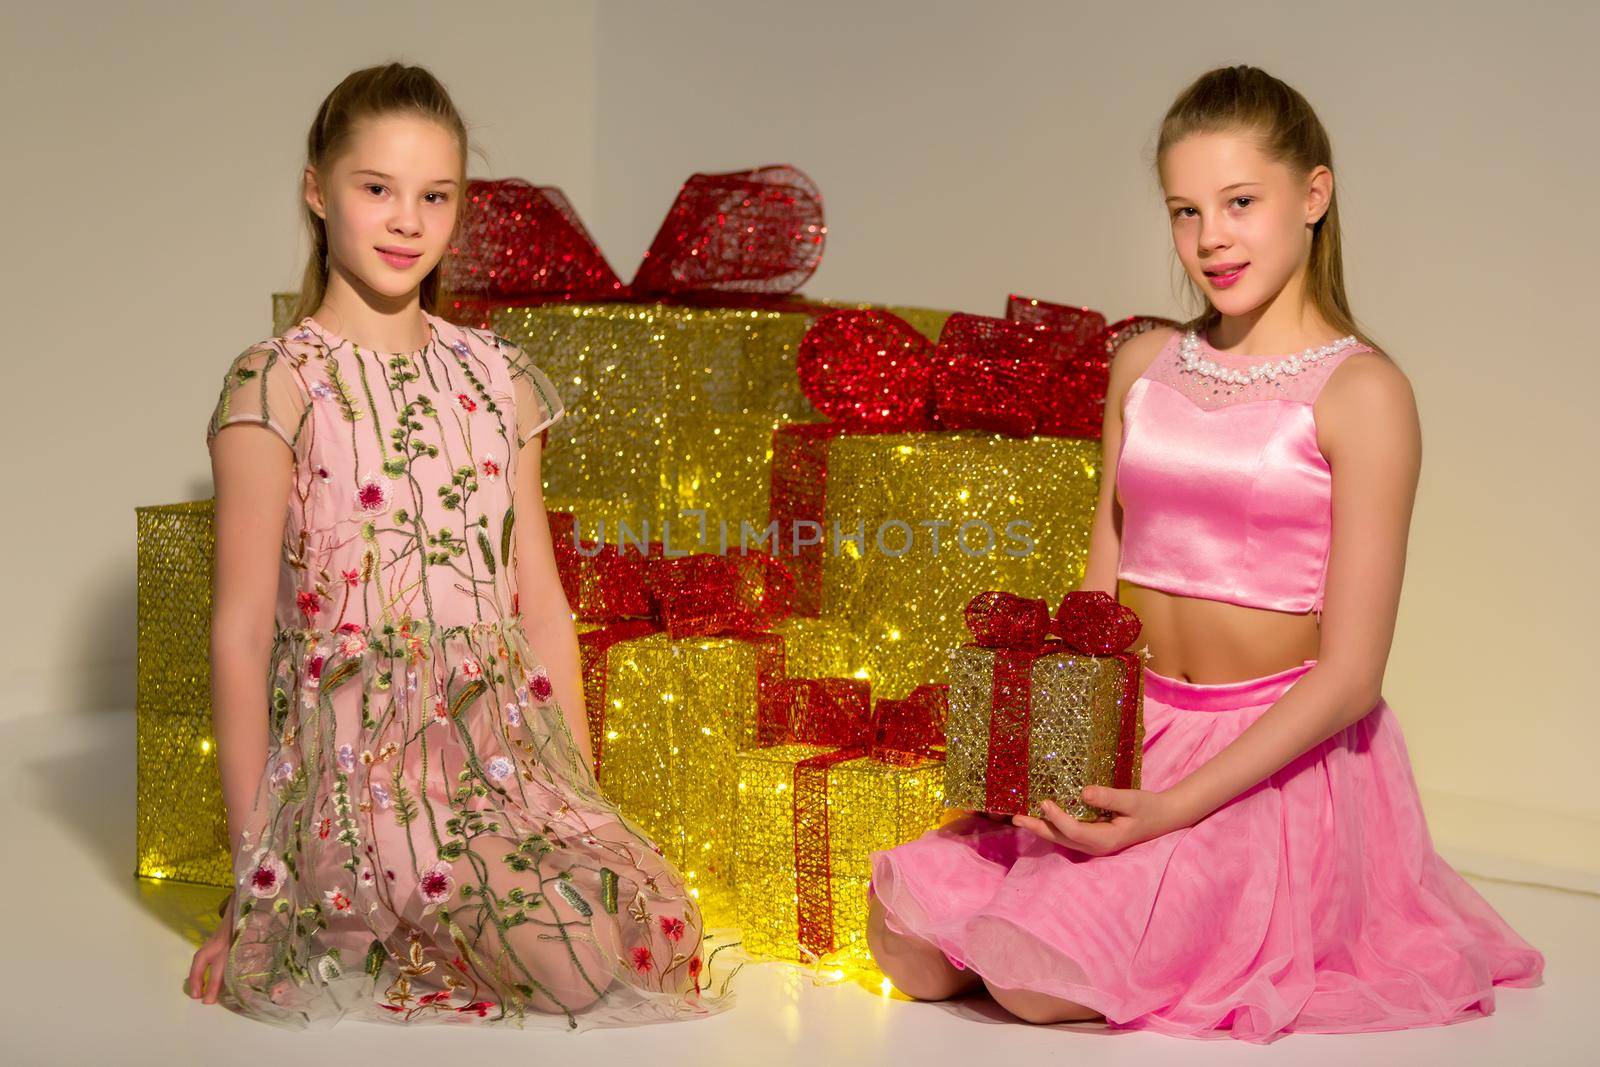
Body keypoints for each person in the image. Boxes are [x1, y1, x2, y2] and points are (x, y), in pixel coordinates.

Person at [865, 64, 1545, 1043]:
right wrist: (1050, 751)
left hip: (1266, 751)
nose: (1209, 239)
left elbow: (1351, 676)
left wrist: (1173, 806)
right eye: (1184, 212)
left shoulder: (1362, 393)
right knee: (910, 944)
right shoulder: (1144, 363)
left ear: (1312, 196)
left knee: (1029, 982)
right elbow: (1099, 593)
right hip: (1134, 723)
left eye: (1237, 202)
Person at [186, 62, 719, 1030]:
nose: (406, 220)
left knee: (629, 932)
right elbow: (236, 633)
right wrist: (251, 882)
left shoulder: (496, 378)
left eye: (434, 196)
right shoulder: (276, 384)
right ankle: (356, 900)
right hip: (354, 767)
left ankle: (458, 893)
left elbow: (542, 606)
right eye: (376, 188)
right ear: (317, 190)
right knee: (564, 963)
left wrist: (578, 803)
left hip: (496, 755)